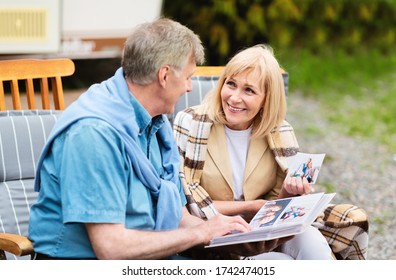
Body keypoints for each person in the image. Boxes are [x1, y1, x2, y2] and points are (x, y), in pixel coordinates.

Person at [28, 19, 290, 260]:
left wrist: (232, 237)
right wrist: (201, 233)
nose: (189, 87)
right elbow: (111, 248)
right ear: (164, 76)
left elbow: (180, 219)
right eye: (188, 77)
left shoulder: (157, 125)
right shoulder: (94, 134)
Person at [173, 44, 334, 260]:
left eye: (249, 90)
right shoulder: (191, 123)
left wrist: (289, 190)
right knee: (282, 262)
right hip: (214, 237)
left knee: (313, 242)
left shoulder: (279, 131)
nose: (234, 98)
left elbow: (277, 205)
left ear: (267, 99)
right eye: (231, 84)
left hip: (260, 231)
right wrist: (250, 207)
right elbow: (185, 200)